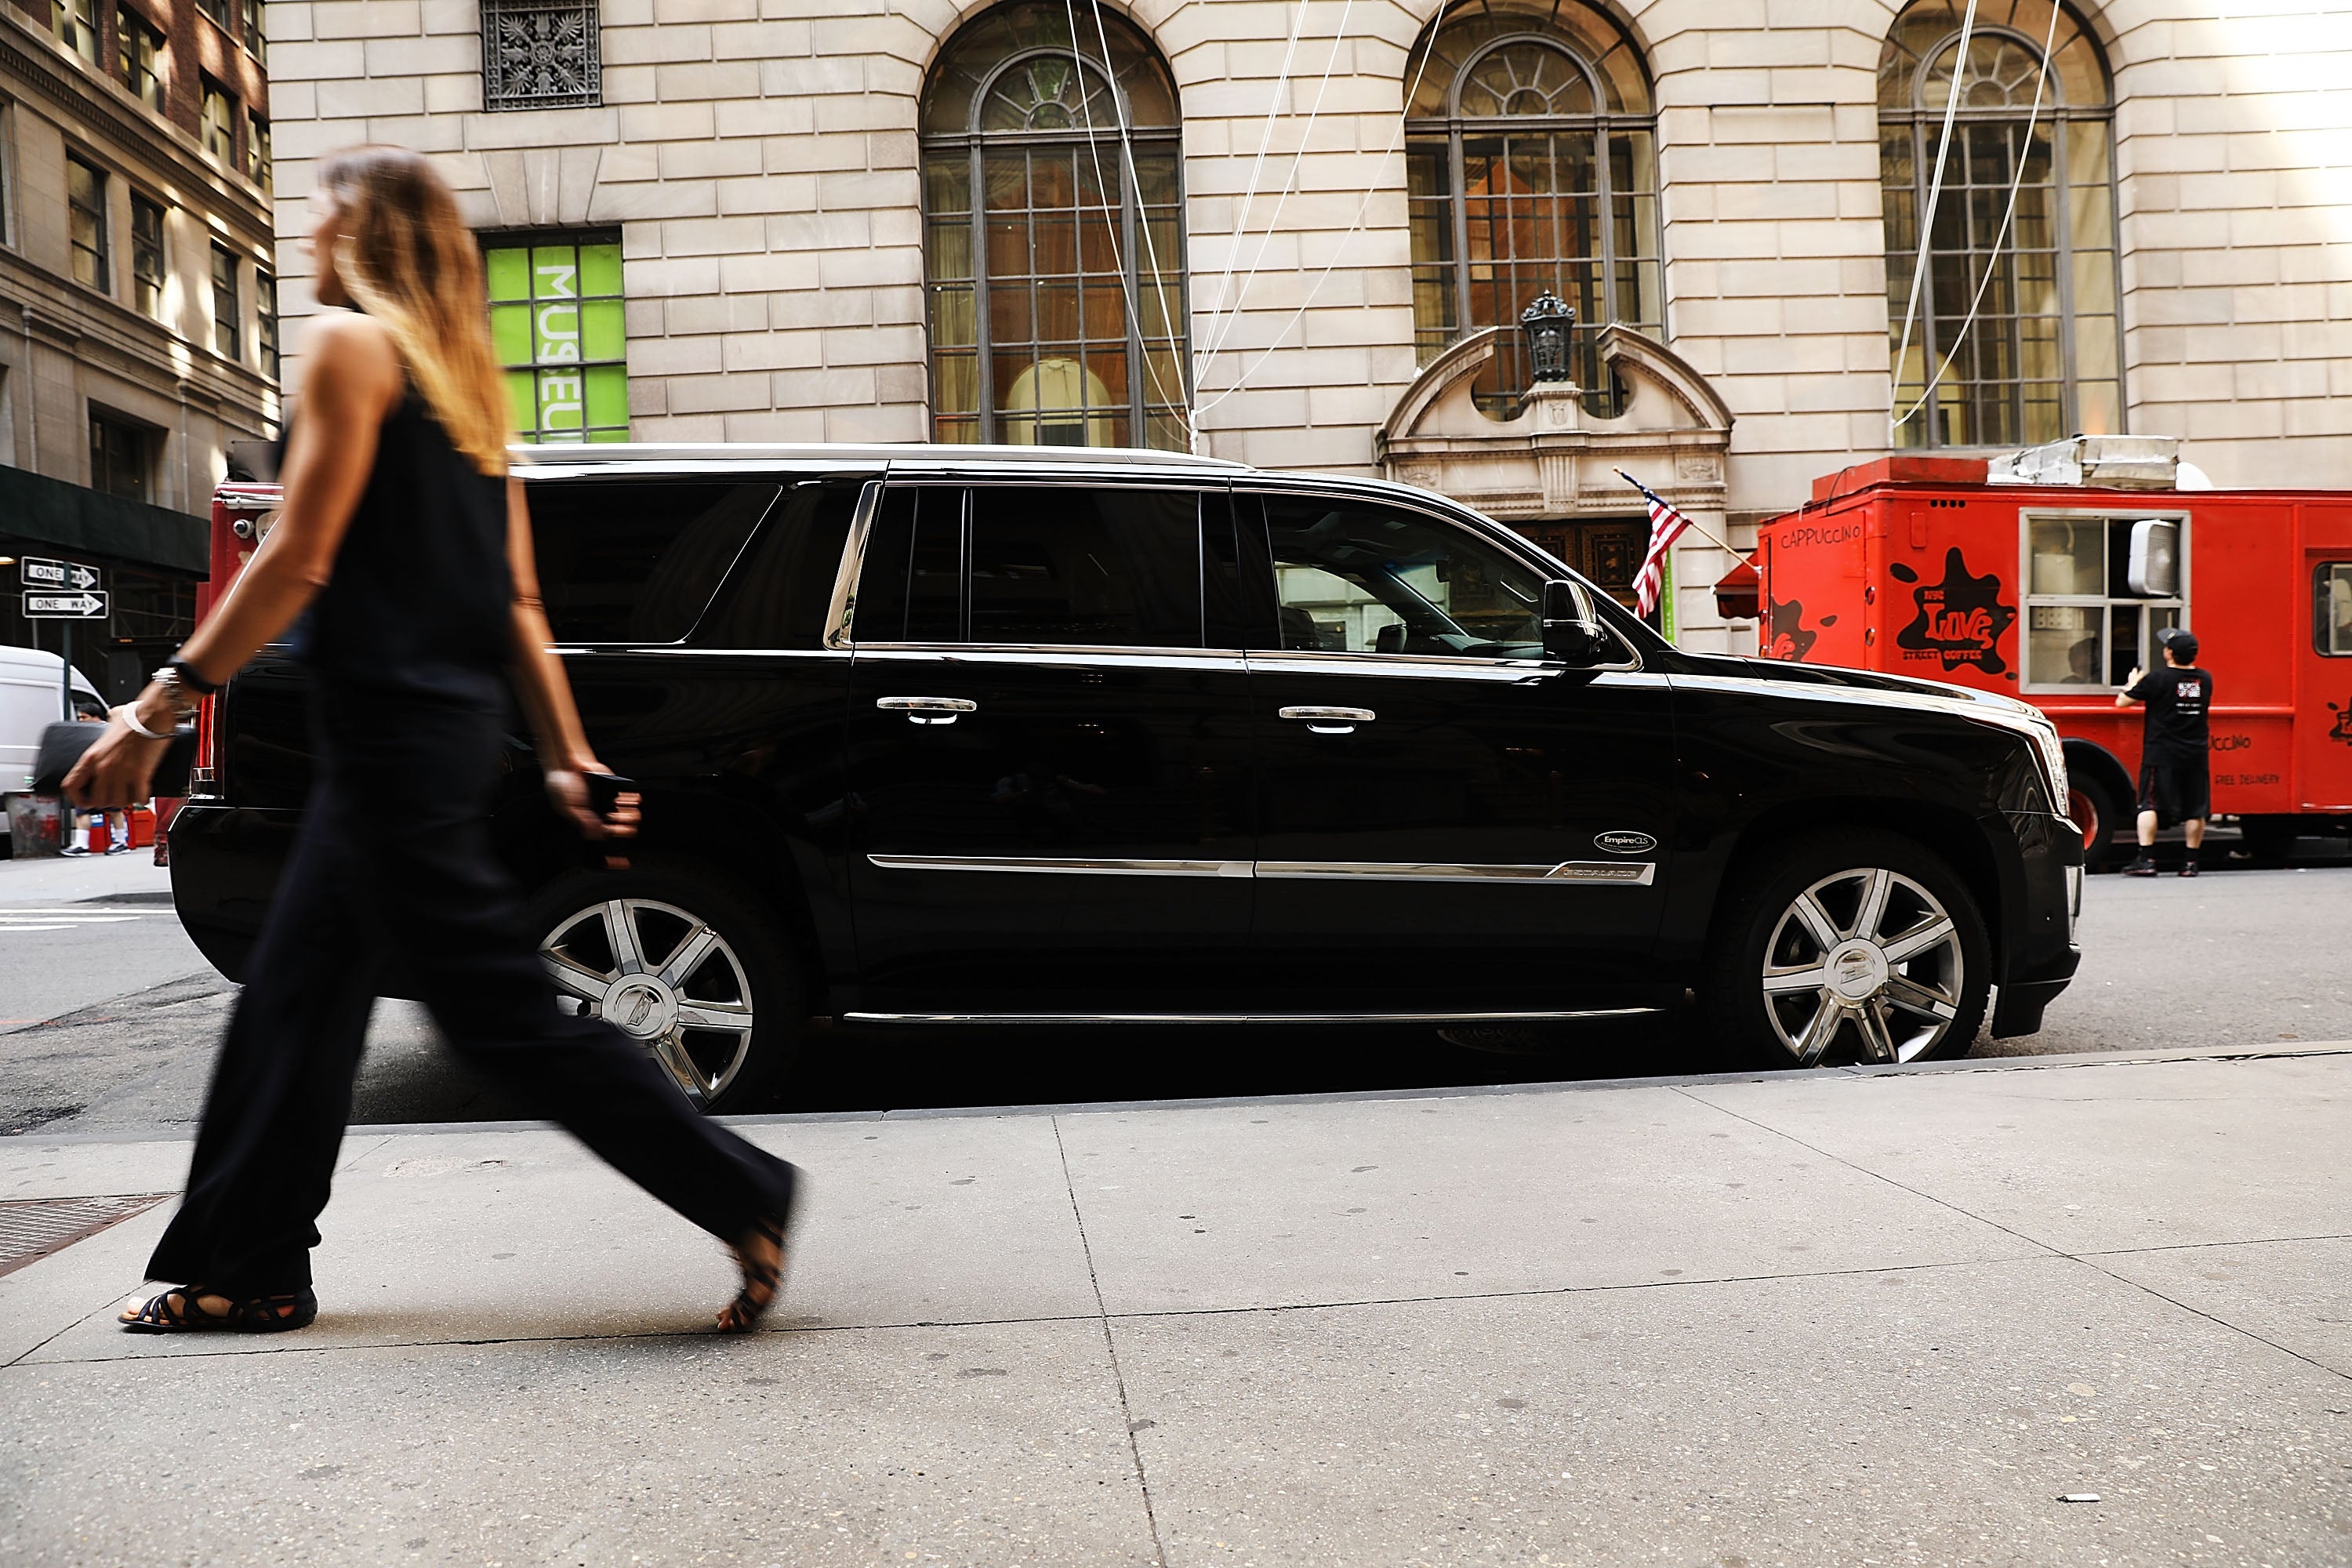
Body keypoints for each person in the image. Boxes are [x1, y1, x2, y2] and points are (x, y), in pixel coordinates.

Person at [64, 146, 797, 1336]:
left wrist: (164, 700)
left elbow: (298, 555)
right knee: (298, 999)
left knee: (490, 1013)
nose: (306, 236)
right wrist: (565, 753)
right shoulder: (466, 395)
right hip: (430, 736)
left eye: (321, 215)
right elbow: (518, 602)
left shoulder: (351, 348)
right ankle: (252, 1263)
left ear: (364, 232)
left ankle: (742, 1192)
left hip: (390, 745)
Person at [2115, 627, 2212, 877]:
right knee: (2196, 808)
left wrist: (2133, 683)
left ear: (2169, 653)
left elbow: (2122, 702)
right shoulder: (2205, 679)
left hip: (2161, 752)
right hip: (2195, 753)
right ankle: (2190, 863)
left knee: (2149, 804)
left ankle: (2146, 859)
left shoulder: (2157, 679)